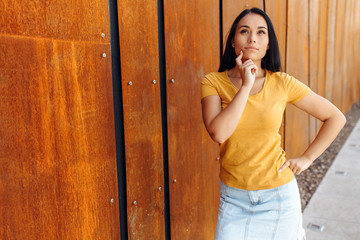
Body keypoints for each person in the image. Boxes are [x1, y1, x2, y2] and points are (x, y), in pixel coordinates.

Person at [201, 7, 346, 240]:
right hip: (233, 200)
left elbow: (336, 117)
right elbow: (218, 133)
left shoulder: (282, 83)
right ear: (233, 41)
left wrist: (306, 159)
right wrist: (246, 86)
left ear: (268, 44)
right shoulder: (213, 82)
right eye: (244, 31)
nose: (252, 38)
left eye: (261, 33)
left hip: (279, 197)